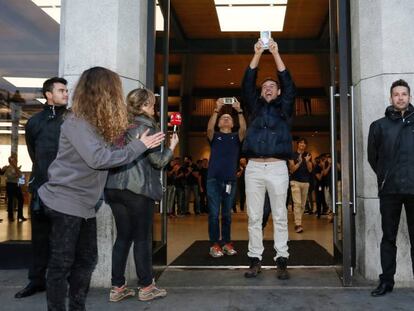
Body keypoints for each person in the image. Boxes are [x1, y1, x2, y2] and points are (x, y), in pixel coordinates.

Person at [37, 67, 165, 310]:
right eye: (114, 89)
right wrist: (139, 146)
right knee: (61, 264)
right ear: (102, 91)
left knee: (86, 260)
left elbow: (109, 154)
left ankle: (77, 307)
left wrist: (135, 146)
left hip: (85, 204)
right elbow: (98, 158)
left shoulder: (93, 124)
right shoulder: (76, 121)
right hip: (64, 201)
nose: (118, 95)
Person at [105, 88, 178, 302]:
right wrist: (172, 148)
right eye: (153, 104)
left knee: (123, 238)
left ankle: (117, 288)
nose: (154, 108)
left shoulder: (120, 125)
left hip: (114, 188)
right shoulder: (147, 125)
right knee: (142, 239)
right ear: (145, 105)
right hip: (137, 189)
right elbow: (158, 162)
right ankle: (146, 287)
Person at [242, 38, 296, 279]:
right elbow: (247, 83)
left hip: (278, 168)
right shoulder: (253, 107)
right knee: (254, 216)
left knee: (280, 215)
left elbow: (289, 83)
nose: (268, 87)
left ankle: (281, 259)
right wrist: (256, 53)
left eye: (272, 85)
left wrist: (275, 52)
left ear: (279, 91)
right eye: (265, 85)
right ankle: (255, 259)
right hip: (253, 168)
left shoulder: (285, 108)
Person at [15, 77, 68, 299]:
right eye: (61, 90)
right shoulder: (34, 123)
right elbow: (32, 154)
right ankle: (36, 281)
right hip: (41, 189)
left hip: (66, 189)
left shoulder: (73, 120)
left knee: (64, 239)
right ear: (48, 94)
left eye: (67, 90)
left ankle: (62, 283)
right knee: (39, 238)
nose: (66, 93)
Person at [368, 79, 414, 297]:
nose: (400, 98)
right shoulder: (379, 126)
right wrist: (384, 178)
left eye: (404, 94)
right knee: (388, 238)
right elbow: (372, 157)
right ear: (391, 98)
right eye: (396, 94)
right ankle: (386, 282)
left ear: (410, 97)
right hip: (390, 191)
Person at [206, 98, 246, 257]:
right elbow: (209, 128)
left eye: (229, 118)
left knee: (227, 215)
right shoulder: (214, 136)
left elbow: (244, 129)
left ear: (232, 123)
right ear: (219, 123)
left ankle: (227, 243)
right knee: (214, 214)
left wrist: (239, 111)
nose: (226, 118)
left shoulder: (236, 137)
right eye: (223, 118)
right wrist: (217, 109)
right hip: (213, 180)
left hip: (230, 180)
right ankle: (214, 244)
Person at [288, 138, 313, 233]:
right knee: (297, 203)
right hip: (295, 182)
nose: (302, 144)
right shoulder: (292, 155)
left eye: (304, 143)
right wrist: (299, 161)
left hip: (306, 182)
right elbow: (292, 169)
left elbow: (310, 170)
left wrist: (307, 161)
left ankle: (299, 222)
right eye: (301, 143)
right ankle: (298, 224)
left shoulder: (308, 155)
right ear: (297, 144)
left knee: (302, 205)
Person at [2, 154, 26, 222]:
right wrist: (16, 175)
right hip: (10, 185)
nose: (15, 160)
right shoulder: (7, 167)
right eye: (14, 159)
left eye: (15, 159)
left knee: (21, 199)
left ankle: (20, 216)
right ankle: (10, 217)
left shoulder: (16, 168)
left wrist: (17, 172)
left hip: (16, 185)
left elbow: (21, 175)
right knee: (10, 200)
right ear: (10, 160)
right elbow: (9, 176)